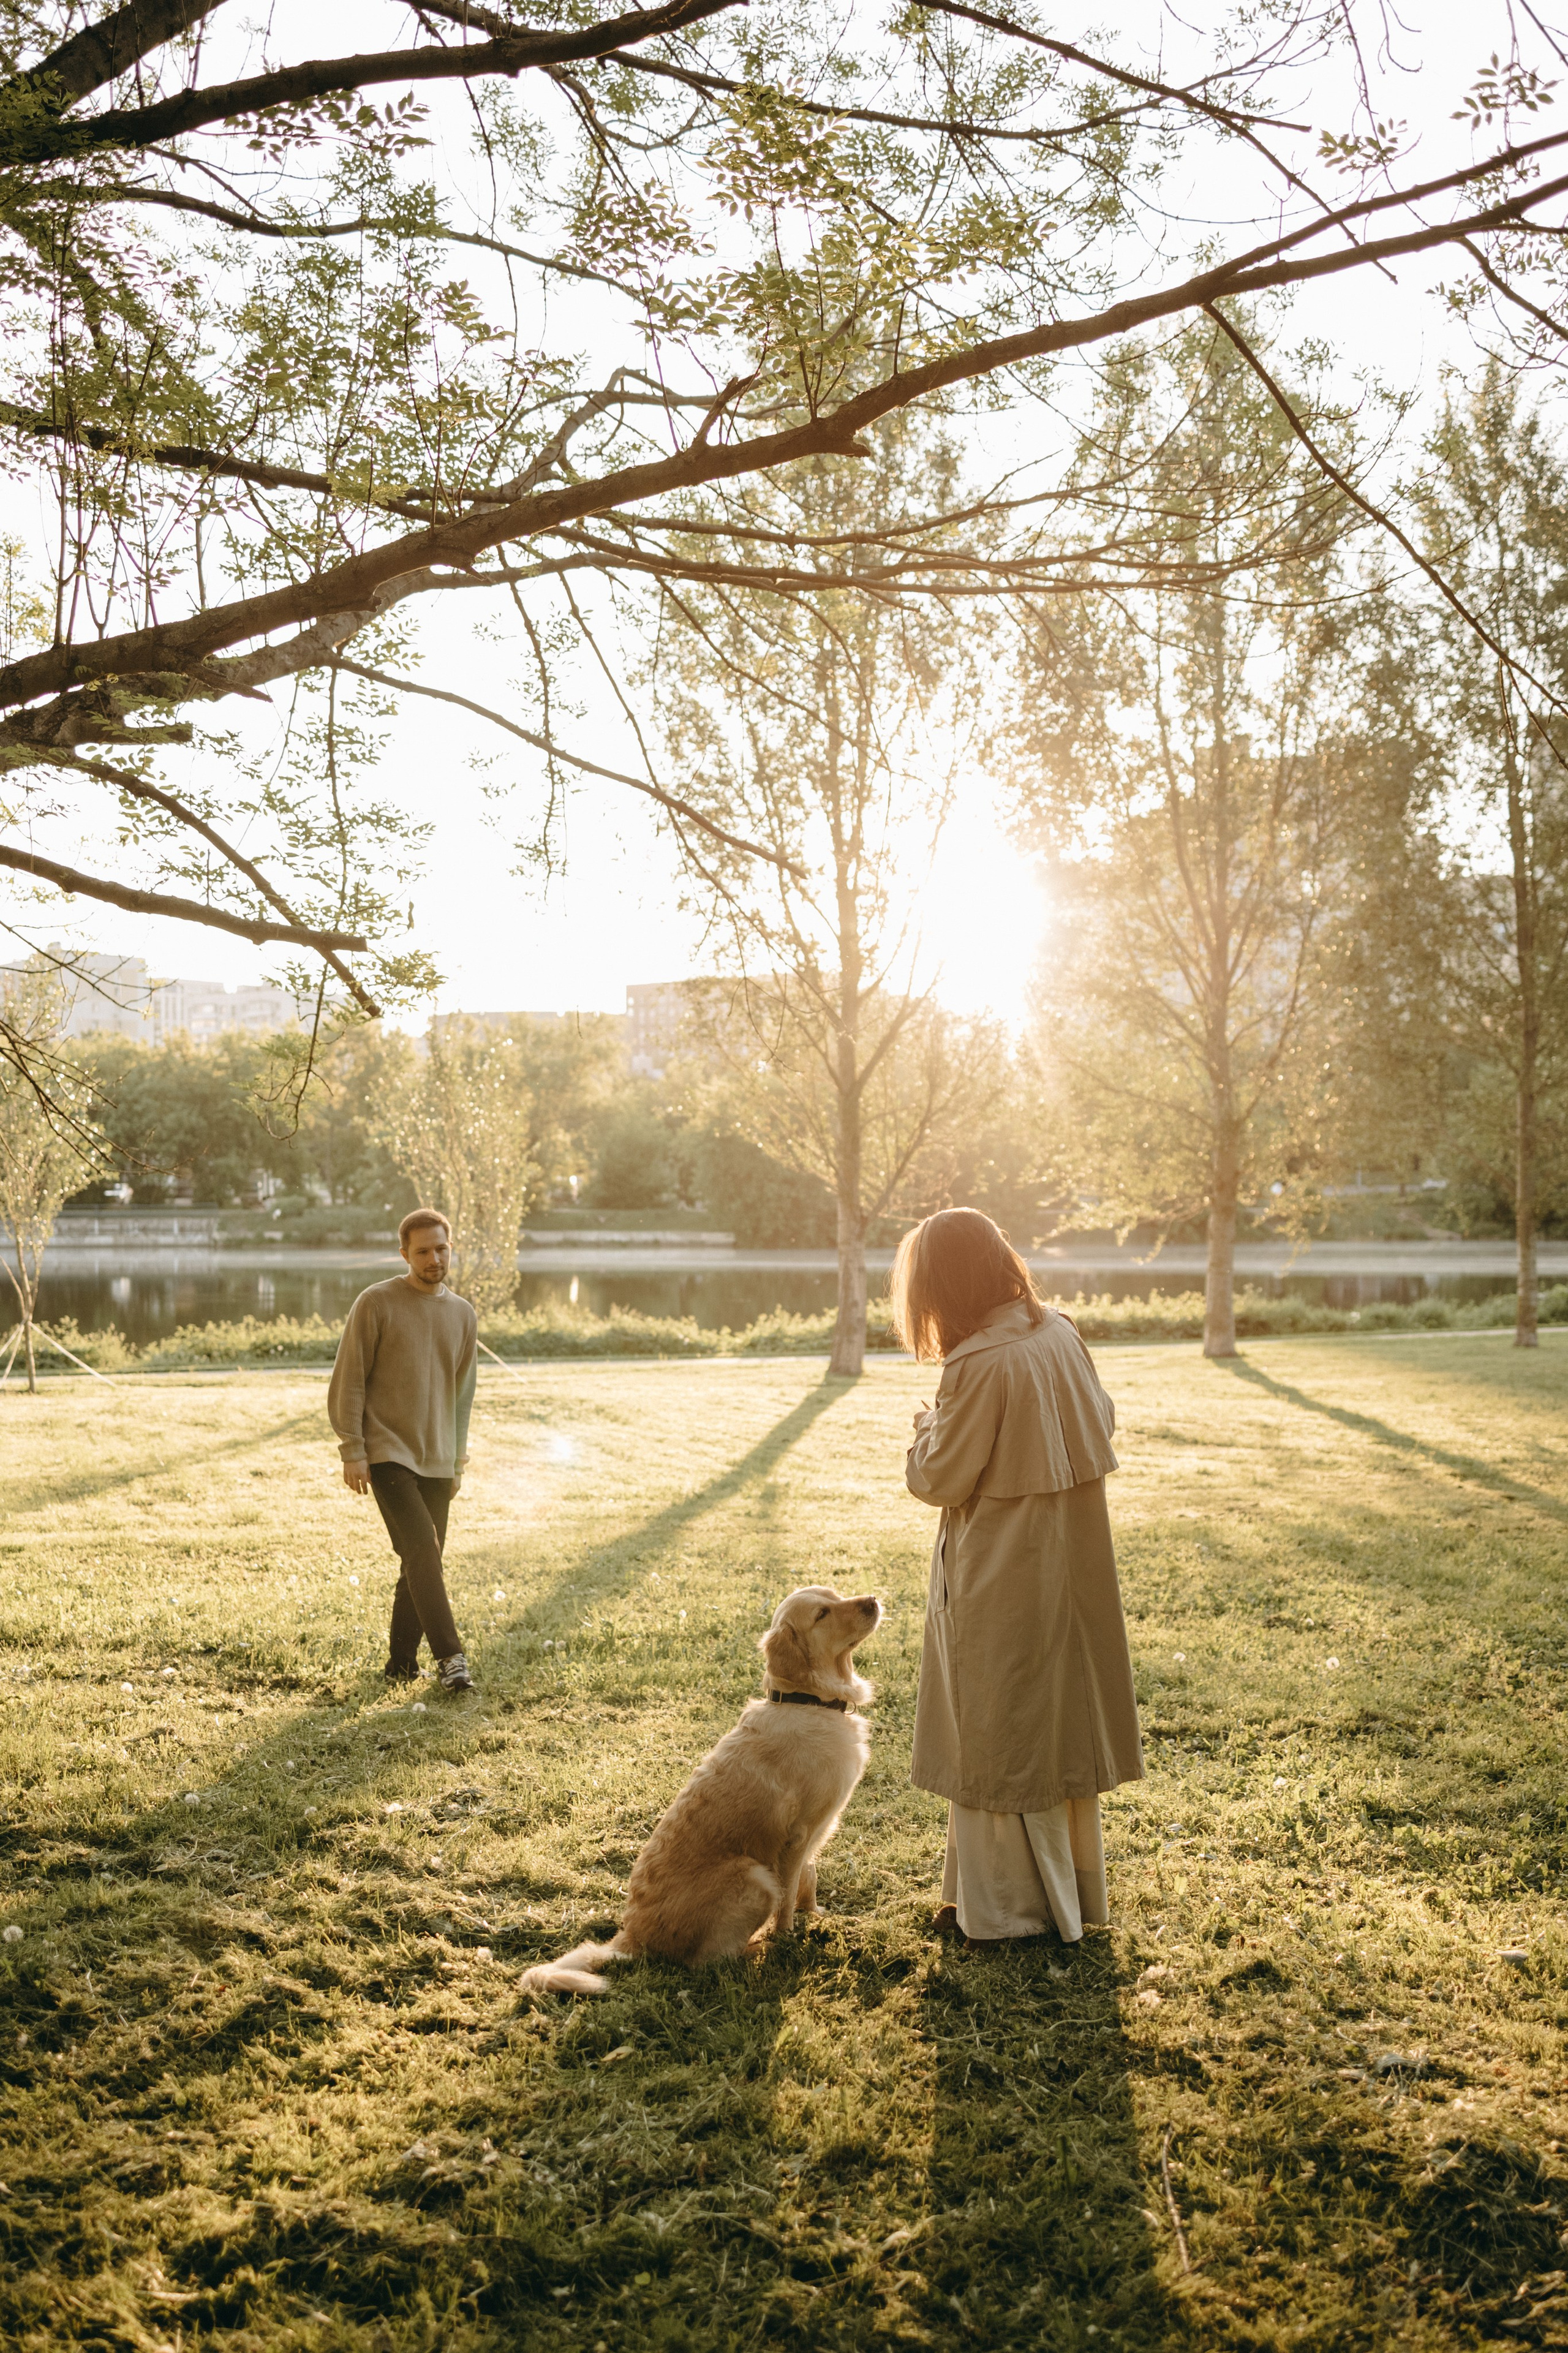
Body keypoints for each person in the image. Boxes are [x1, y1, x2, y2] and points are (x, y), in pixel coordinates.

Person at [893, 1207, 1144, 1949]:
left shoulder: (976, 1364)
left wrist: (923, 1429)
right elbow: (1101, 1418)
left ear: (946, 1284)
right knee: (1052, 1723)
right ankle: (1033, 1897)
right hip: (1071, 1564)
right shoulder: (1059, 1331)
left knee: (996, 1731)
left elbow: (938, 1478)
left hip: (1001, 1571)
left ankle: (1005, 1913)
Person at [328, 1207, 478, 1694]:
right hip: (387, 1451)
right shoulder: (376, 1302)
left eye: (442, 1249)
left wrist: (457, 1461)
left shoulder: (463, 1314)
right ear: (404, 1254)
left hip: (439, 1457)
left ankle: (400, 1665)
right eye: (423, 1251)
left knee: (421, 1558)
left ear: (450, 1247)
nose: (435, 1259)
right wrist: (353, 1448)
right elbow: (350, 1378)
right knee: (422, 1548)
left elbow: (463, 1395)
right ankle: (451, 1658)